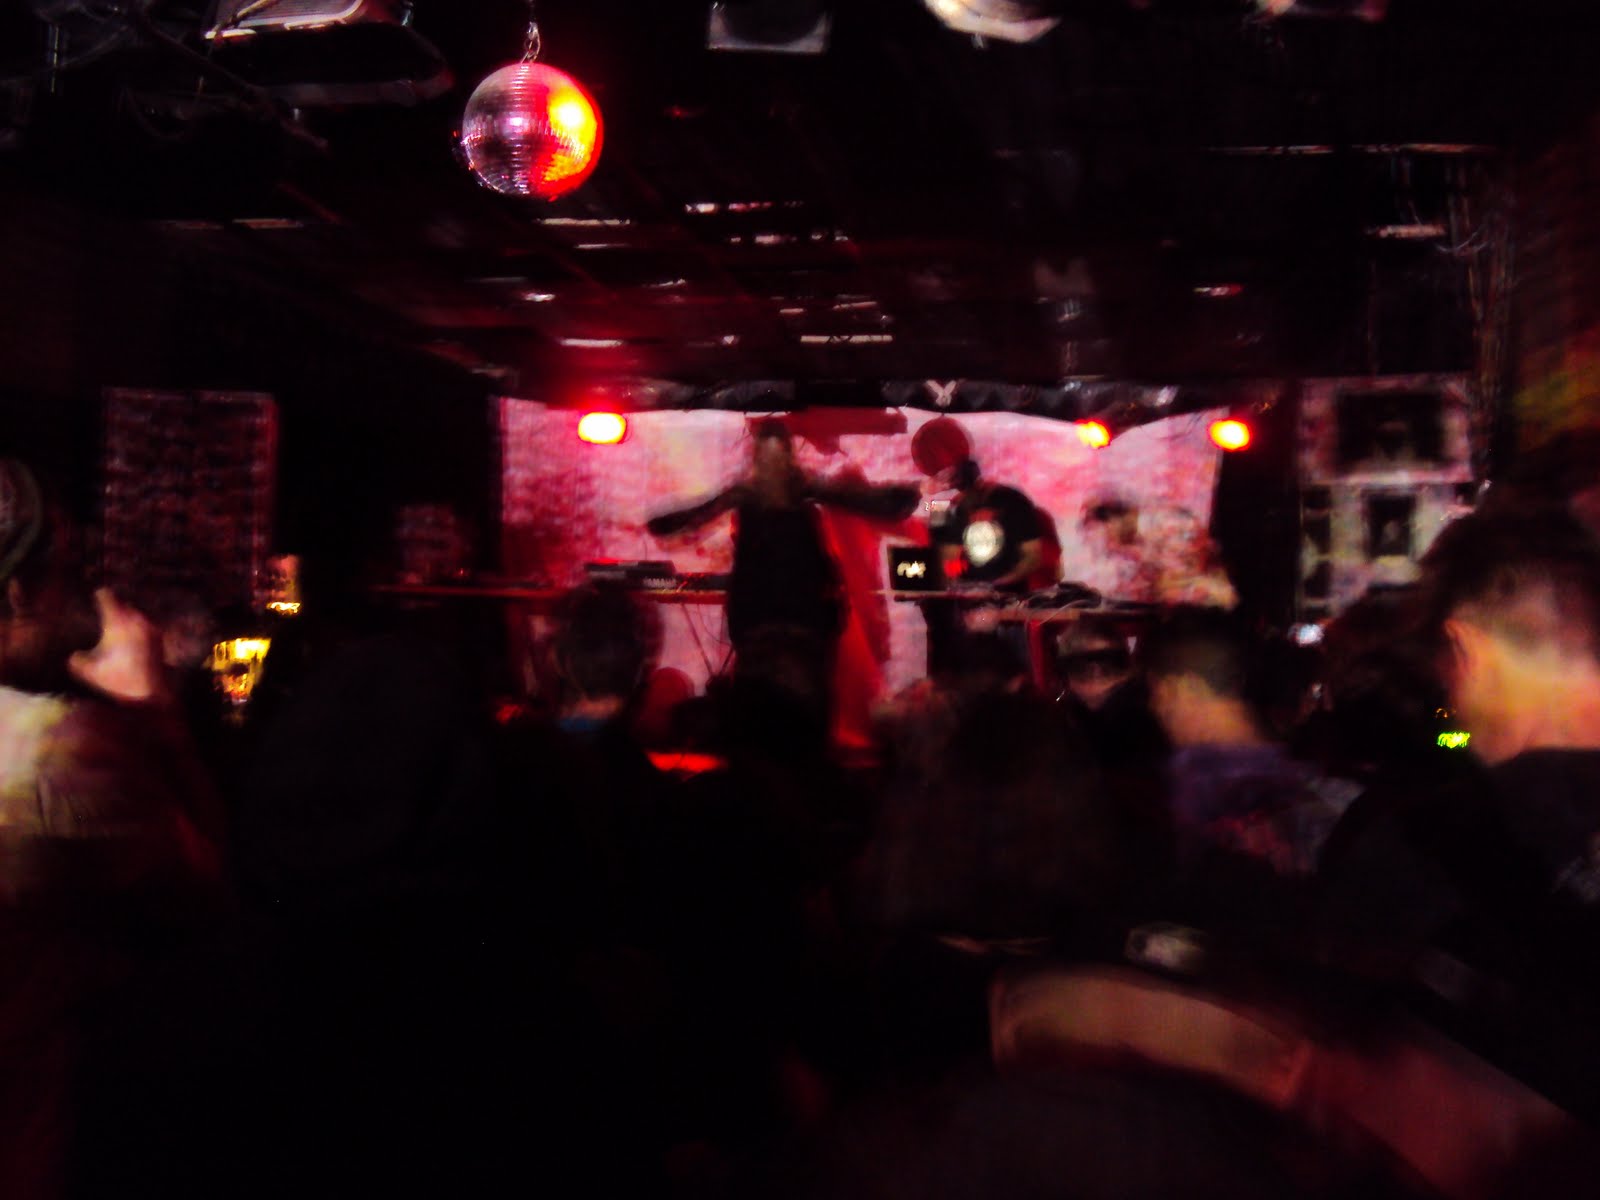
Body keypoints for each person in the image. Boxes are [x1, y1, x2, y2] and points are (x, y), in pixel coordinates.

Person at [0, 458, 223, 1199]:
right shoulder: (54, 754)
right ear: (17, 592)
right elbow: (207, 892)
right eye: (69, 571)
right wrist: (156, 713)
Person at [646, 418, 917, 697]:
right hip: (789, 613)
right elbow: (874, 502)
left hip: (774, 613)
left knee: (773, 689)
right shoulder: (791, 490)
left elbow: (869, 501)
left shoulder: (772, 491)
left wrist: (663, 523)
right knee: (794, 689)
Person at [1082, 496, 1237, 608]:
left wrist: (1141, 556)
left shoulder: (1163, 522)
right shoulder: (1141, 537)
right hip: (1189, 604)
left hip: (1208, 601)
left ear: (1112, 522)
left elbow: (1185, 568)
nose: (1108, 542)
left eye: (1105, 534)